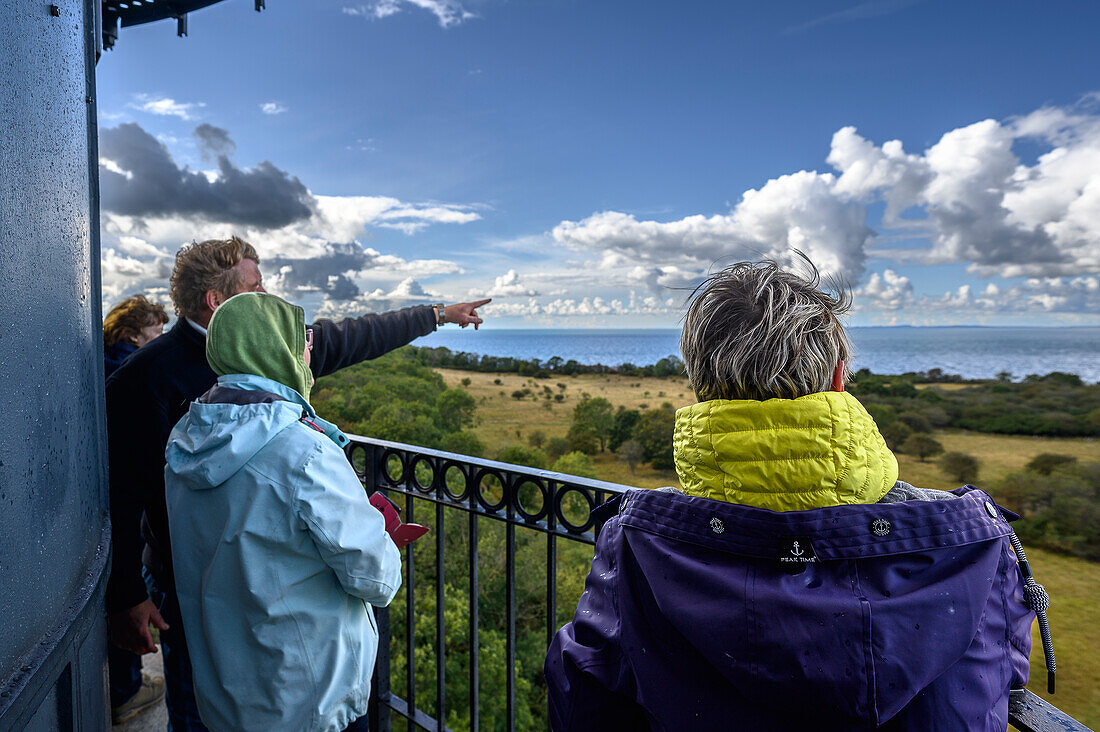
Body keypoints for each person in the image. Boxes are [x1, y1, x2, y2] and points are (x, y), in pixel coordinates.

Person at [545, 260, 1035, 730]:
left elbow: (584, 705)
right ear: (839, 378)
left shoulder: (636, 543)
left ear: (700, 389)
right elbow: (997, 689)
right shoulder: (971, 540)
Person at [105, 236, 489, 729]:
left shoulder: (276, 350)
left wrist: (437, 313)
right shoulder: (146, 378)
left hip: (278, 582)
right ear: (218, 301)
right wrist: (125, 595)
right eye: (258, 286)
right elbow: (118, 494)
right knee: (201, 706)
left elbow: (358, 334)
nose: (271, 299)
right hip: (192, 584)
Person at [164, 292, 401, 731]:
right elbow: (376, 579)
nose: (310, 348)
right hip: (311, 703)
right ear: (275, 347)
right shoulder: (305, 451)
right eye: (303, 337)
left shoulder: (185, 440)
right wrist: (379, 533)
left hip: (227, 698)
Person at [103, 293, 171, 724]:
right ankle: (127, 691)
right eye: (155, 334)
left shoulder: (103, 363)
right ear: (132, 335)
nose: (161, 342)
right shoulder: (129, 374)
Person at [103, 294, 169, 378]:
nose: (162, 337)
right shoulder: (141, 370)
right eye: (158, 332)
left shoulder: (100, 361)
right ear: (133, 335)